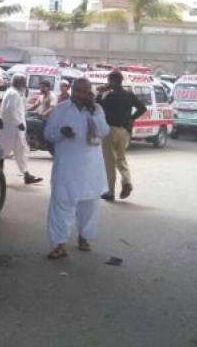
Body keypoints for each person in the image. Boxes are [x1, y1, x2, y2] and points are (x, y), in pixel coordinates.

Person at [44, 78, 110, 260]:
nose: (81, 95)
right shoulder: (61, 109)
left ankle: (84, 237)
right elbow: (48, 133)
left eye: (85, 91)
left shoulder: (97, 110)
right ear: (72, 91)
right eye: (78, 91)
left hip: (91, 168)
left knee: (89, 206)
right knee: (61, 205)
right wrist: (61, 132)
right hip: (66, 167)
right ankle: (59, 244)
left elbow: (104, 132)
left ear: (90, 92)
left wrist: (93, 113)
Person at [96, 70, 147, 201]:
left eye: (109, 81)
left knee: (110, 162)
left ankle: (110, 191)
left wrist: (101, 92)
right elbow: (142, 108)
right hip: (124, 131)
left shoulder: (110, 96)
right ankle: (127, 181)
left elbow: (97, 107)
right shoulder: (129, 94)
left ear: (112, 81)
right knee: (121, 158)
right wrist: (131, 118)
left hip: (110, 130)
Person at [0, 74, 43, 185]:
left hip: (13, 129)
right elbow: (10, 109)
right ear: (20, 83)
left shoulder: (13, 92)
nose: (26, 85)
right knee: (1, 152)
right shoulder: (14, 94)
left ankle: (26, 175)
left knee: (19, 152)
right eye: (24, 82)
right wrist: (19, 123)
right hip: (11, 129)